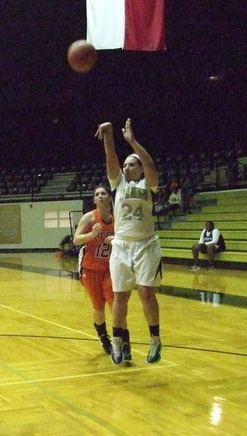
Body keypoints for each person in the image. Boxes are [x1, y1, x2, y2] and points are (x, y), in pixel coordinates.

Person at [95, 118, 163, 365]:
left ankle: (155, 340)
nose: (126, 168)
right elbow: (111, 157)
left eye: (131, 165)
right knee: (120, 296)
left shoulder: (148, 183)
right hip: (122, 246)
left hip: (146, 245)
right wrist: (110, 136)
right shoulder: (118, 184)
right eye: (125, 165)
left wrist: (132, 142)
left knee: (146, 293)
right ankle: (117, 342)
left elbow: (150, 164)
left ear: (139, 168)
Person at [72, 184, 115, 355]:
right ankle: (103, 337)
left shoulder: (117, 218)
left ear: (110, 197)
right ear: (94, 200)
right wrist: (91, 235)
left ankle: (120, 338)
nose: (100, 196)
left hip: (110, 268)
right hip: (90, 268)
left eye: (103, 193)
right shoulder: (89, 218)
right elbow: (76, 240)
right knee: (98, 306)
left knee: (114, 302)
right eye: (97, 194)